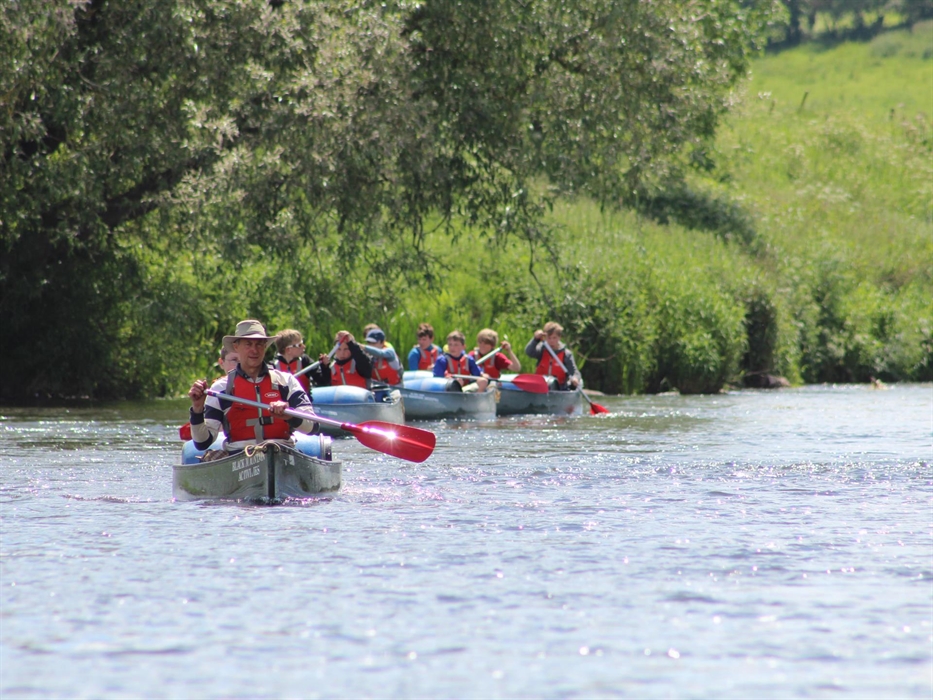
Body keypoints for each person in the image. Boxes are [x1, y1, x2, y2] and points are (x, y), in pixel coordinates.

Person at [188, 319, 317, 454]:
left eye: (259, 344)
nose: (254, 350)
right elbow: (202, 443)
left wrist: (290, 415)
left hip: (281, 451)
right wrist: (197, 409)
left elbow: (313, 426)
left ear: (265, 346)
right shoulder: (220, 388)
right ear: (236, 347)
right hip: (238, 454)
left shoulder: (287, 382)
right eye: (248, 344)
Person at [525, 321, 580, 389]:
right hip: (540, 387)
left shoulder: (566, 354)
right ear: (545, 337)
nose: (551, 341)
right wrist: (535, 339)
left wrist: (575, 378)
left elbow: (574, 371)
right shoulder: (542, 349)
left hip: (559, 389)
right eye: (549, 338)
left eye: (554, 338)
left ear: (559, 337)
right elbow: (529, 352)